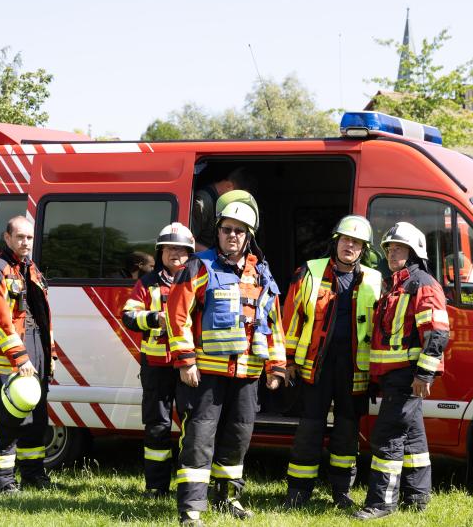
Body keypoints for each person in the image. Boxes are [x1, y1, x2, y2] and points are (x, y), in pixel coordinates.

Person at [167, 190, 286, 527]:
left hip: (247, 373)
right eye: (226, 229)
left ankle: (228, 498)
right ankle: (191, 508)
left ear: (248, 236)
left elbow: (272, 321)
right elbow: (178, 316)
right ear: (217, 231)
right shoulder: (199, 265)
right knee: (199, 440)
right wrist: (186, 360)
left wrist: (276, 366)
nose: (232, 235)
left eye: (239, 230)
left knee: (238, 438)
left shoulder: (260, 272)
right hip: (206, 374)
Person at [281, 215, 382, 510]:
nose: (350, 246)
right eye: (346, 240)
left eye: (357, 243)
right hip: (316, 366)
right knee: (309, 430)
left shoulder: (374, 280)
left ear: (363, 249)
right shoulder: (310, 272)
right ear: (336, 242)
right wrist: (287, 361)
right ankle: (298, 491)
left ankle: (341, 491)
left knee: (347, 432)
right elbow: (292, 318)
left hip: (354, 369)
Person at [353, 222, 449, 521]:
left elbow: (436, 332)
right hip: (395, 375)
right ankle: (417, 497)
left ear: (414, 252)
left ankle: (382, 502)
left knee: (388, 436)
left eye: (399, 248)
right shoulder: (397, 284)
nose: (393, 252)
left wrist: (423, 374)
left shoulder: (421, 284)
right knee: (413, 439)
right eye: (390, 248)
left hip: (407, 375)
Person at [0, 215, 55, 493]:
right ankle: (1, 481)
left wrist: (48, 355)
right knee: (7, 417)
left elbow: (40, 315)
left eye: (29, 237)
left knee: (36, 417)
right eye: (20, 237)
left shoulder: (30, 268)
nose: (25, 242)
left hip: (36, 348)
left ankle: (34, 475)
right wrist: (19, 357)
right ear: (7, 238)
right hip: (8, 355)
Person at [121, 223, 195, 498]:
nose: (176, 253)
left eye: (182, 249)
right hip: (156, 366)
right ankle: (156, 487)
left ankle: (190, 486)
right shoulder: (147, 283)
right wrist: (154, 318)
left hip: (188, 365)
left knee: (193, 424)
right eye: (171, 248)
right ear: (161, 251)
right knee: (157, 427)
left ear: (190, 253)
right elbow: (128, 316)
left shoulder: (197, 279)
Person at [191, 167, 255, 251]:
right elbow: (188, 241)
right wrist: (213, 257)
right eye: (238, 197)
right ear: (229, 185)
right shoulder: (202, 203)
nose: (239, 203)